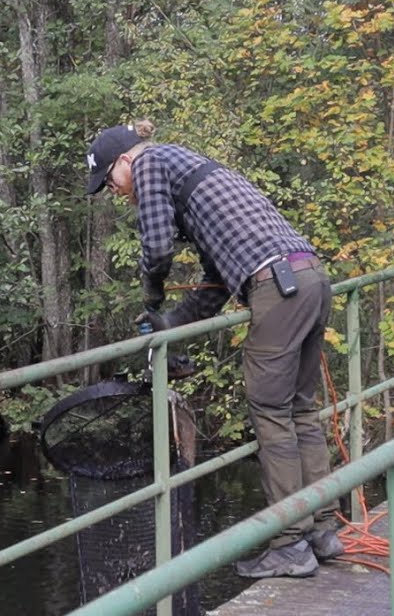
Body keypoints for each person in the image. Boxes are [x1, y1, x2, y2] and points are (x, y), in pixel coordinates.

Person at [84, 120, 344, 579]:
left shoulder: (150, 161)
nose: (115, 191)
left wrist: (152, 294)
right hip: (310, 278)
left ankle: (290, 545)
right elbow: (217, 282)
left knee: (271, 411)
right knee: (300, 411)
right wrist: (169, 323)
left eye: (109, 180)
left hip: (278, 289)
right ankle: (322, 529)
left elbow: (158, 248)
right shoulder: (197, 179)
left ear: (125, 160)